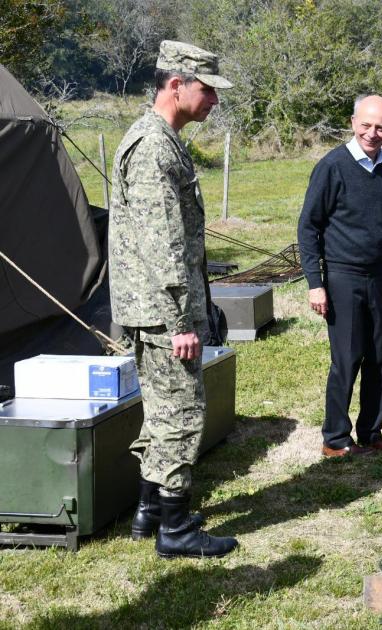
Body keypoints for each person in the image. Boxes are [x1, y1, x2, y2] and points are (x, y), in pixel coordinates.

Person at [109, 40, 237, 558]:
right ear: (176, 85)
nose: (212, 102)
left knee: (162, 411)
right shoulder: (154, 146)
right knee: (182, 414)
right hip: (164, 313)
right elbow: (162, 245)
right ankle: (177, 530)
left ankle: (149, 512)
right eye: (207, 91)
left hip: (153, 307)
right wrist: (182, 320)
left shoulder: (162, 139)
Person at [298, 95, 382, 458]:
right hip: (342, 276)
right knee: (347, 358)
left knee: (380, 356)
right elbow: (308, 228)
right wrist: (316, 283)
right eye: (366, 125)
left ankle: (371, 432)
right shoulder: (332, 167)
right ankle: (335, 438)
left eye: (381, 127)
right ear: (352, 122)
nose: (373, 133)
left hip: (380, 276)